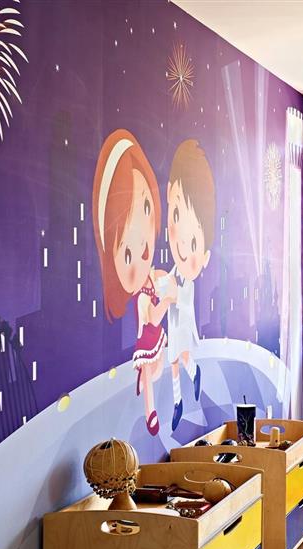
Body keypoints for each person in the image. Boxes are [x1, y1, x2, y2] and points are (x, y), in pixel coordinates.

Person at [92, 130, 173, 436]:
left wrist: (168, 287)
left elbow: (166, 282)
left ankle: (153, 387)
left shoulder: (154, 276)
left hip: (156, 336)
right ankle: (150, 410)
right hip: (148, 338)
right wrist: (167, 300)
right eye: (126, 253)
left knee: (159, 366)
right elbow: (153, 317)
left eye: (146, 208)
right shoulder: (142, 297)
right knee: (150, 372)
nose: (141, 246)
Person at [161, 139, 215, 430]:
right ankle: (179, 399)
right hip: (174, 326)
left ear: (204, 257)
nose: (182, 244)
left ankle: (192, 377)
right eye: (176, 215)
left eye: (194, 243)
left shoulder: (186, 283)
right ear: (169, 195)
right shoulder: (172, 272)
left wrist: (171, 294)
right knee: (175, 360)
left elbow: (181, 299)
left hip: (182, 326)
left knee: (180, 357)